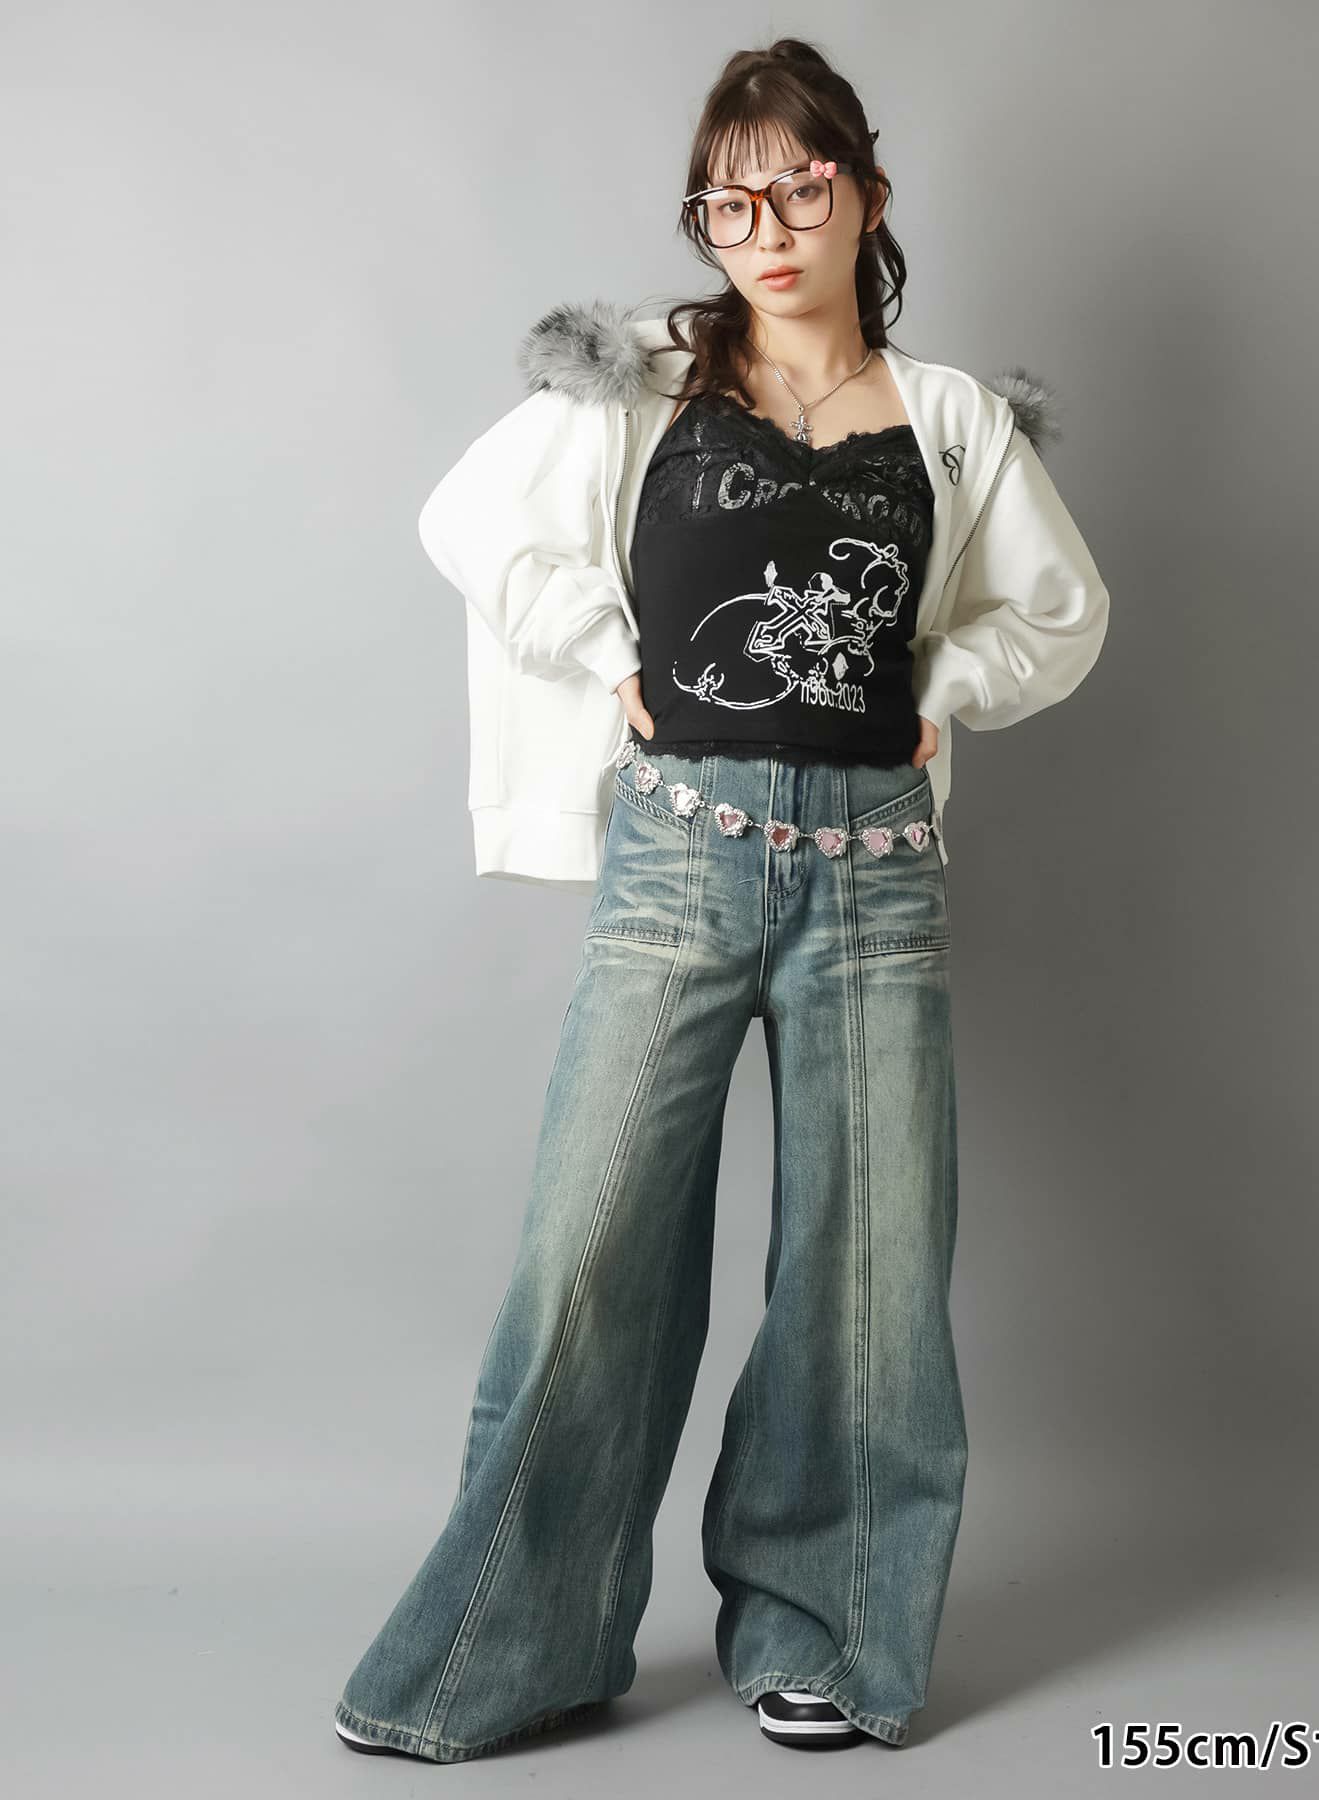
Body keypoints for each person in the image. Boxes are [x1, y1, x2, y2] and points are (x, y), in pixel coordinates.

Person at [332, 35, 1109, 1763]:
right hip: (679, 858)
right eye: (728, 202)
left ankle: (824, 1633)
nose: (765, 230)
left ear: (868, 195)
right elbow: (474, 522)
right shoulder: (646, 384)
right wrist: (604, 649)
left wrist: (950, 685)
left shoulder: (952, 418)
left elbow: (1062, 614)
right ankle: (510, 1647)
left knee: (869, 1272)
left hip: (876, 882)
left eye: (800, 190)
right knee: (589, 1248)